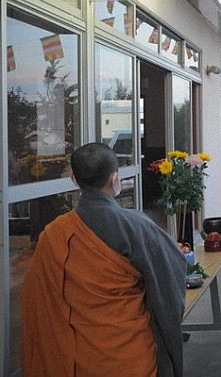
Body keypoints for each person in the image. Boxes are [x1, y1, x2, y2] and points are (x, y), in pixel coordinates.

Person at [22, 143, 186, 377]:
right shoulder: (137, 227)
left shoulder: (55, 233)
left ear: (73, 179)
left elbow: (41, 299)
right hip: (129, 356)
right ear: (115, 179)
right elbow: (170, 278)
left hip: (77, 359)